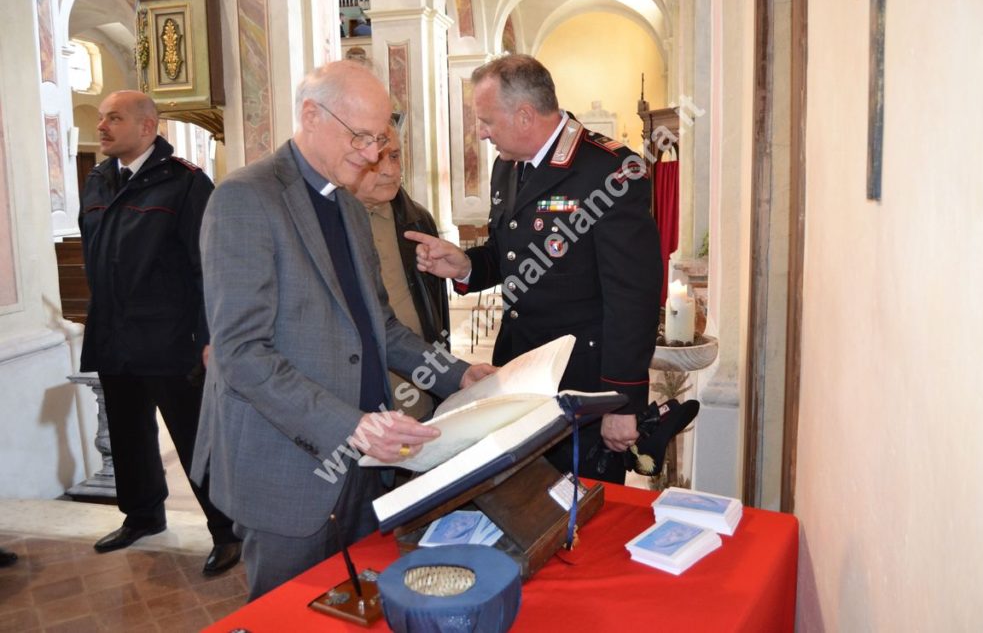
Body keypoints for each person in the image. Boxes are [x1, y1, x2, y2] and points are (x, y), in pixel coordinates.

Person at [192, 60, 494, 600]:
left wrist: (461, 374)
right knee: (290, 612)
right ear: (311, 115)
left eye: (381, 138)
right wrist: (350, 425)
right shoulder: (246, 198)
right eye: (361, 136)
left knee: (354, 604)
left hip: (362, 465)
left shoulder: (350, 208)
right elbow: (241, 353)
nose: (373, 153)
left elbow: (379, 327)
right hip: (288, 464)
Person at [406, 54, 662, 484]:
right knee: (522, 499)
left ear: (524, 115)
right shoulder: (507, 166)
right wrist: (467, 264)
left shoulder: (610, 170)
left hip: (580, 383)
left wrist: (622, 402)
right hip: (517, 374)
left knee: (581, 514)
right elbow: (509, 255)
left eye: (487, 121)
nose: (482, 134)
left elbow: (633, 297)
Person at [78, 90, 241, 576]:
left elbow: (208, 268)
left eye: (114, 118)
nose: (102, 126)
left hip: (170, 339)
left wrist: (209, 335)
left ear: (147, 127)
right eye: (102, 118)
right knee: (128, 435)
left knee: (194, 440)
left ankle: (226, 529)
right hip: (113, 334)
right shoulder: (98, 180)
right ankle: (143, 515)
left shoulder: (185, 184)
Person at [353, 123, 450, 421]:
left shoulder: (416, 220)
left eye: (394, 157)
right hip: (357, 398)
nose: (390, 171)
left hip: (417, 387)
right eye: (377, 161)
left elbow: (436, 311)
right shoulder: (327, 224)